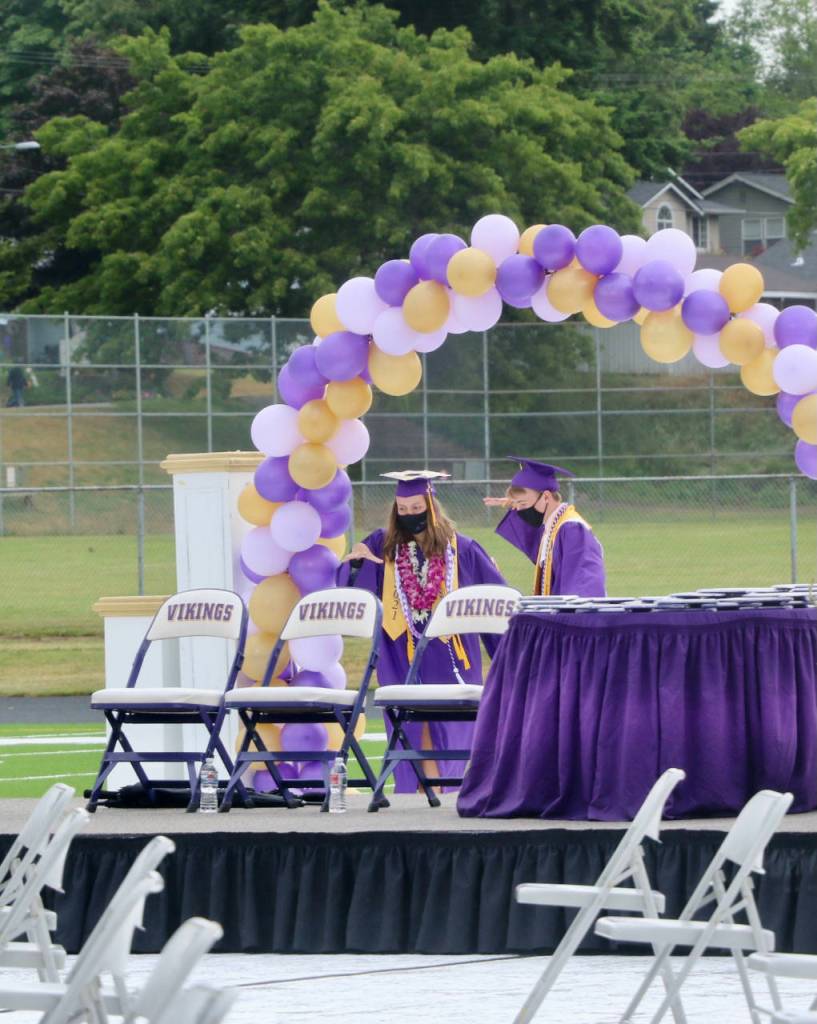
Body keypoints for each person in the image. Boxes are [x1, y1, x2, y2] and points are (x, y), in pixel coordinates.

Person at [342, 470, 507, 794]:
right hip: (399, 653)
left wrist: (506, 655)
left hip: (450, 655)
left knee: (446, 725)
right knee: (410, 726)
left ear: (430, 506)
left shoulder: (462, 549)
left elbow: (494, 602)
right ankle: (418, 795)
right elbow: (353, 589)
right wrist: (359, 565)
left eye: (415, 508)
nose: (409, 516)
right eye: (402, 510)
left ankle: (442, 793)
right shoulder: (381, 543)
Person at [485, 456, 606, 597]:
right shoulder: (552, 527)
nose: (519, 510)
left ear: (546, 497)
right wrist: (513, 503)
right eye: (516, 504)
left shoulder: (572, 530)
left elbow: (582, 585)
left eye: (523, 504)